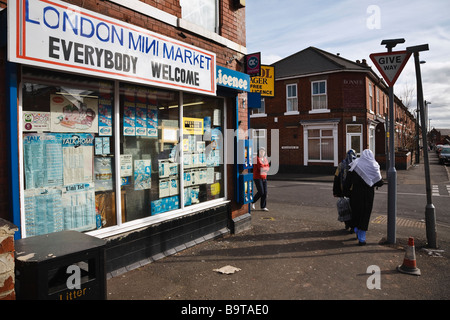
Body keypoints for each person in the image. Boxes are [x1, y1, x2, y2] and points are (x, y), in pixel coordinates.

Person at [344, 149, 383, 246]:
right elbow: (379, 182)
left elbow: (348, 181)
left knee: (356, 212)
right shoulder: (374, 165)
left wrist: (346, 192)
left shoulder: (355, 164)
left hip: (355, 194)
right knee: (366, 213)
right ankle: (362, 237)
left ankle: (356, 228)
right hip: (368, 195)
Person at [333, 149, 356, 230]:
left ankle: (347, 223)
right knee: (354, 208)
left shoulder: (341, 165)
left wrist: (336, 191)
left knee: (345, 207)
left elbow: (336, 178)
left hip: (344, 190)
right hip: (354, 191)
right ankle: (353, 225)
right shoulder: (356, 164)